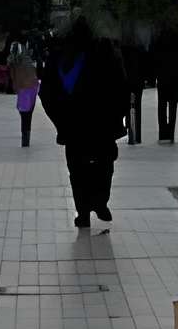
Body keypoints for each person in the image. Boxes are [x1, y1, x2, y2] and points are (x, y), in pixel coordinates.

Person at [38, 17, 128, 232]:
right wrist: (117, 117)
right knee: (105, 164)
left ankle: (83, 211)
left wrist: (60, 120)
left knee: (77, 170)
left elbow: (47, 93)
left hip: (73, 126)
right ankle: (100, 200)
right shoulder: (105, 53)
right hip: (102, 125)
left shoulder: (61, 56)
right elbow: (121, 87)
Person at [156, 31, 178, 141]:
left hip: (163, 76)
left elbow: (155, 58)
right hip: (175, 77)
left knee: (162, 105)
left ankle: (163, 133)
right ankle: (170, 132)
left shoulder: (160, 39)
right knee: (172, 106)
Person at [10, 49, 40, 147]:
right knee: (28, 114)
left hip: (24, 89)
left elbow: (14, 78)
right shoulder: (31, 63)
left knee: (24, 114)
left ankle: (25, 136)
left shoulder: (16, 64)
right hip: (31, 88)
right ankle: (26, 135)